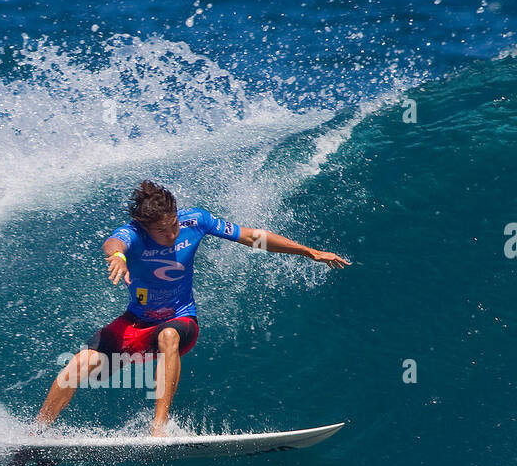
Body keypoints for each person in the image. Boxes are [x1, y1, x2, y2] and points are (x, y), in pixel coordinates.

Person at [36, 181, 350, 436]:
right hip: (136, 321)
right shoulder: (132, 234)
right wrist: (116, 257)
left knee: (168, 337)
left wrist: (308, 251)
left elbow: (252, 237)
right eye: (163, 231)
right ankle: (38, 435)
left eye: (173, 226)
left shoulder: (195, 220)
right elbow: (112, 243)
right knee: (77, 365)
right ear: (144, 227)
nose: (172, 235)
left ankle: (158, 429)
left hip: (180, 319)